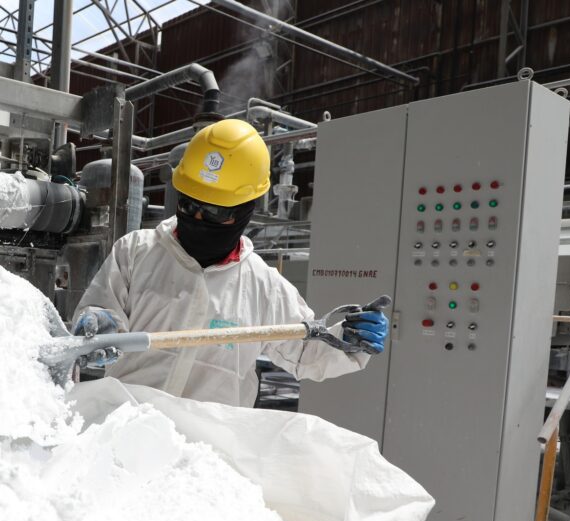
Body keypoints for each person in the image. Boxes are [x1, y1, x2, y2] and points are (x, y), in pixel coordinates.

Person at [72, 118, 388, 407]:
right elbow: (101, 317)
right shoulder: (136, 252)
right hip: (126, 435)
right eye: (189, 203)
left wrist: (348, 340)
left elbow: (305, 352)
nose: (197, 218)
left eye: (214, 212)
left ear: (245, 211)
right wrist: (95, 325)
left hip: (205, 453)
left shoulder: (262, 286)